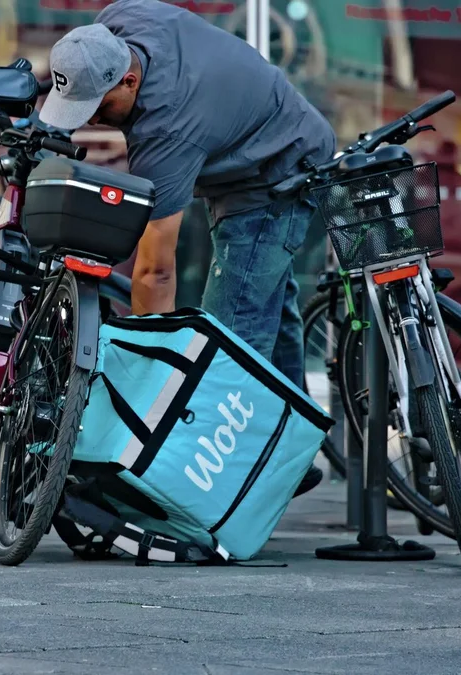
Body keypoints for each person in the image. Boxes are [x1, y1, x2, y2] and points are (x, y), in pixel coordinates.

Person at [37, 0, 335, 496]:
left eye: (98, 106)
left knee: (229, 344)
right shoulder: (119, 21)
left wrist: (148, 382)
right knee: (266, 309)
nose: (89, 120)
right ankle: (288, 458)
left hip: (276, 173)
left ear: (129, 81)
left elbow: (155, 273)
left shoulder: (167, 128)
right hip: (254, 139)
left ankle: (221, 489)